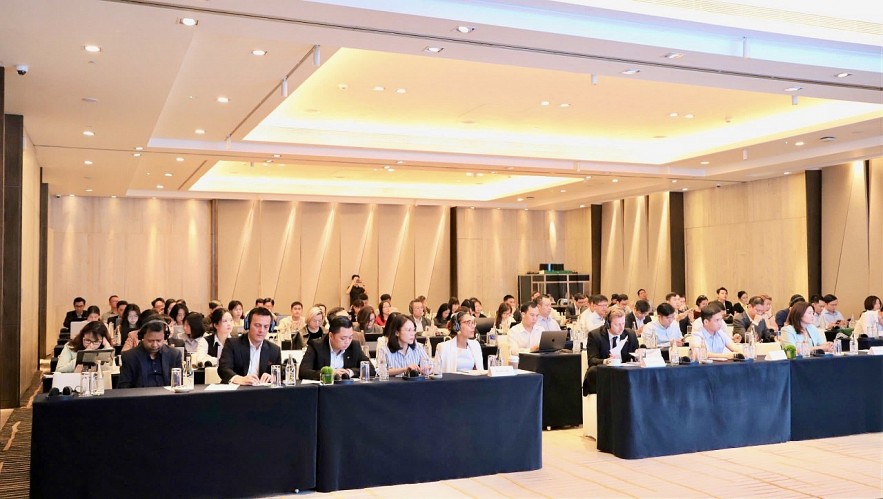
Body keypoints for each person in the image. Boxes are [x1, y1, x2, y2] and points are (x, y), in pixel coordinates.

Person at [219, 307, 281, 385]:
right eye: (257, 325)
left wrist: (273, 377)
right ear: (248, 325)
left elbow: (280, 374)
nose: (261, 330)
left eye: (266, 327)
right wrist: (239, 379)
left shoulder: (274, 350)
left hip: (262, 390)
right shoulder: (232, 344)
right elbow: (223, 369)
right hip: (237, 389)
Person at [582, 309, 638, 395]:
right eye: (617, 324)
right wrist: (606, 361)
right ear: (607, 324)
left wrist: (639, 355)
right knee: (593, 371)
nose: (621, 328)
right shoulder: (595, 335)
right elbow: (592, 360)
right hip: (606, 373)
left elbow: (635, 356)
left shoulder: (630, 334)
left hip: (625, 373)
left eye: (623, 323)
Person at [299, 316, 373, 380]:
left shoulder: (354, 346)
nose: (347, 342)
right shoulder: (316, 346)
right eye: (343, 338)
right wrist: (330, 373)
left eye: (350, 337)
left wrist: (350, 372)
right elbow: (303, 372)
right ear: (331, 335)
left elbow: (371, 369)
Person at [118, 320, 183, 388]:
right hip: (140, 394)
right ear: (142, 337)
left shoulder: (174, 354)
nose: (155, 345)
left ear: (165, 337)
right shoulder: (129, 357)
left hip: (167, 394)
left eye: (158, 340)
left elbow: (178, 385)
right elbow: (123, 387)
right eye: (150, 341)